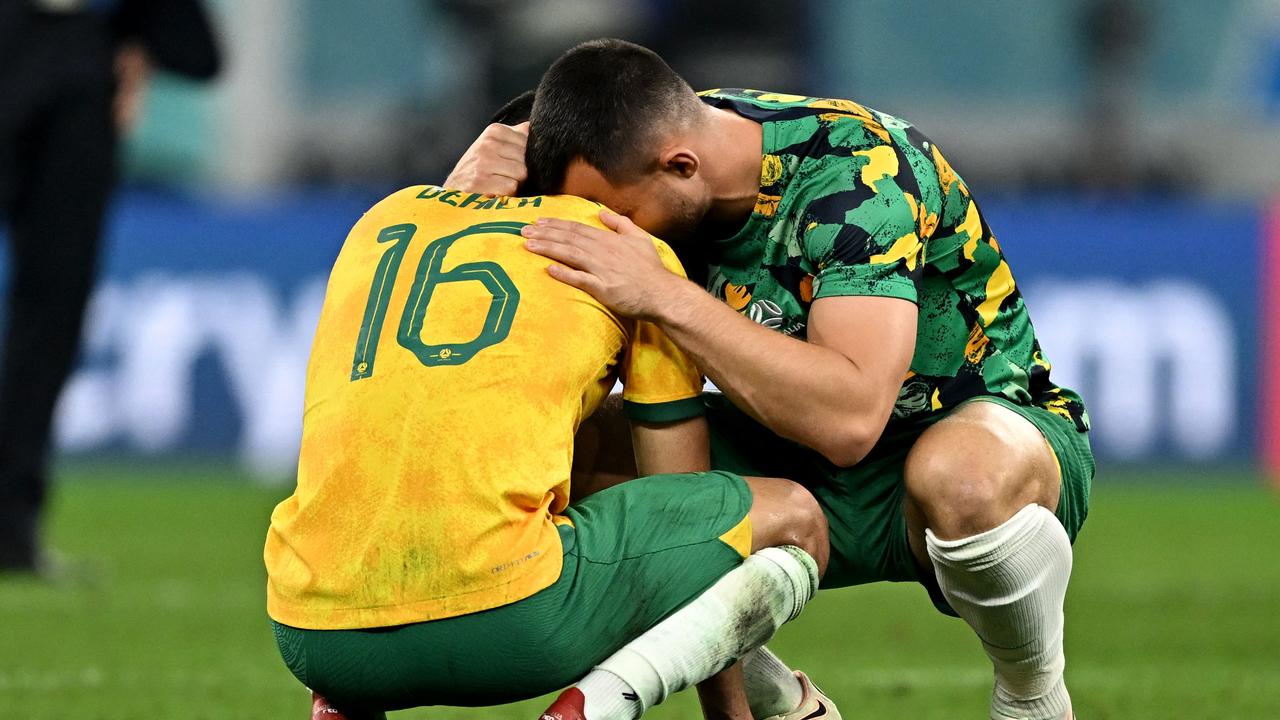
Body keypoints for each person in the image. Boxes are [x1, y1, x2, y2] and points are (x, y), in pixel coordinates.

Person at [447, 39, 1094, 720]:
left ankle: (1032, 690)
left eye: (623, 221)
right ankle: (778, 701)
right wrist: (458, 204)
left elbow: (848, 422)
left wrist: (663, 292)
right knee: (544, 459)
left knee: (958, 477)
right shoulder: (636, 161)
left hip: (976, 434)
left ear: (682, 165)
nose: (612, 240)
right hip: (790, 461)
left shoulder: (856, 173)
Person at [263, 163, 834, 719]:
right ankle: (596, 709)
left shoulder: (381, 220)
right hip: (511, 628)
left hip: (312, 636)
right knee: (796, 518)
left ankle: (339, 705)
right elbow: (679, 510)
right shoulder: (618, 250)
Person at [0, 0, 220, 574]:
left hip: (82, 78)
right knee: (49, 312)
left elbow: (196, 53)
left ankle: (11, 528)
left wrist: (138, 42)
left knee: (54, 312)